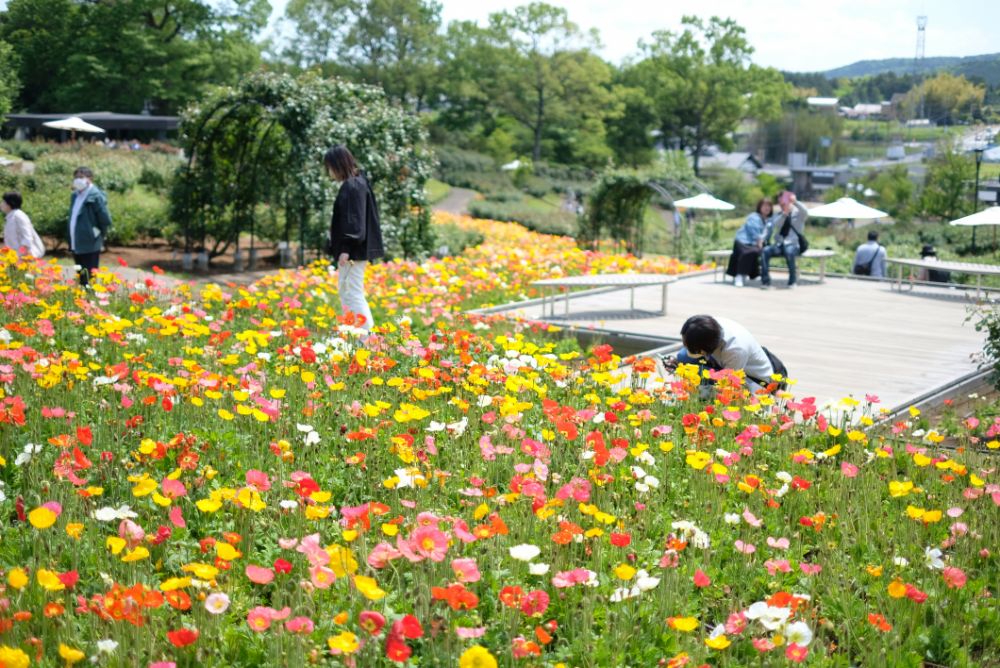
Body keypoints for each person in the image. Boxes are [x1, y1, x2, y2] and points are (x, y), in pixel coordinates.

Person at [325, 145, 384, 332]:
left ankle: (365, 337)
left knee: (352, 293)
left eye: (329, 167)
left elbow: (354, 221)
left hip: (353, 252)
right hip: (354, 250)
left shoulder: (353, 185)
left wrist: (346, 249)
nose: (329, 172)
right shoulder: (357, 183)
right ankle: (357, 334)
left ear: (337, 165)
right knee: (348, 292)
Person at [661, 314, 787, 393]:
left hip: (753, 381)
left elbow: (728, 385)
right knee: (682, 356)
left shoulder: (736, 349)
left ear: (706, 349)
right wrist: (677, 362)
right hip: (722, 362)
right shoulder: (710, 325)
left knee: (695, 374)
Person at [67, 167, 112, 286]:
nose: (77, 180)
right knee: (81, 275)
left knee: (89, 277)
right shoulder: (75, 195)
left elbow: (105, 219)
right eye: (76, 177)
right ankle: (81, 299)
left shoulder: (95, 196)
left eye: (81, 177)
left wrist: (96, 233)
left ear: (90, 179)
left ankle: (90, 300)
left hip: (90, 243)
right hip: (76, 241)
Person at [760, 191, 809, 289]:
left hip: (794, 244)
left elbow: (805, 211)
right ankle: (765, 282)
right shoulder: (779, 214)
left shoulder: (799, 214)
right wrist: (784, 214)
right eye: (780, 203)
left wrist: (795, 202)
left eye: (783, 203)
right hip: (779, 245)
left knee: (789, 251)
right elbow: (776, 225)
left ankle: (792, 281)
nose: (782, 205)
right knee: (765, 251)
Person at [726, 198, 774, 287]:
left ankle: (745, 274)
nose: (767, 208)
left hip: (754, 244)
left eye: (769, 206)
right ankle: (739, 275)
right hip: (743, 241)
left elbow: (768, 235)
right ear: (759, 207)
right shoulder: (754, 216)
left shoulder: (769, 221)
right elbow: (753, 231)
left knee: (758, 252)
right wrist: (759, 242)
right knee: (749, 252)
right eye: (764, 206)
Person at [1, 191, 45, 259]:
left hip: (24, 257)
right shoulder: (10, 217)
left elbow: (27, 238)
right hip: (14, 256)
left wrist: (21, 254)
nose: (1, 204)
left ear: (10, 203)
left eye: (3, 201)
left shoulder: (19, 215)